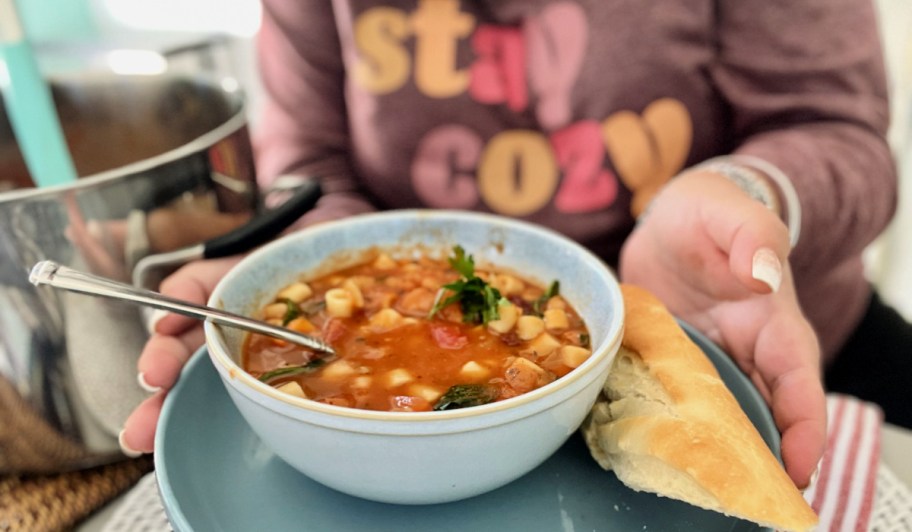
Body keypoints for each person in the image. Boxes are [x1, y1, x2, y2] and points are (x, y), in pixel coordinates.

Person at [120, 0, 906, 491]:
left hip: (732, 330)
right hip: (399, 421)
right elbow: (311, 166)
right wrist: (313, 284)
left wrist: (746, 198)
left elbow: (839, 131)